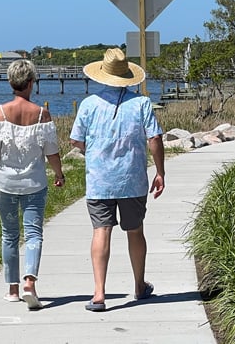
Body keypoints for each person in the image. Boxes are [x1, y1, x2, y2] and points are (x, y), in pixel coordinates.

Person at [69, 48, 165, 312]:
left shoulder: (89, 104)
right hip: (132, 179)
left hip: (99, 180)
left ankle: (99, 294)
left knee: (101, 230)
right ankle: (138, 286)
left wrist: (95, 153)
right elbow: (154, 138)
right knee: (135, 231)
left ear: (102, 75)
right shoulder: (142, 103)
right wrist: (160, 171)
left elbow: (76, 140)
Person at [0, 59, 65, 310]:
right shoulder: (41, 114)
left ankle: (12, 289)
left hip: (4, 183)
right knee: (34, 233)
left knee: (9, 234)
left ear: (11, 82)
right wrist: (59, 174)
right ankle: (30, 282)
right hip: (35, 183)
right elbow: (51, 152)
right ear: (30, 83)